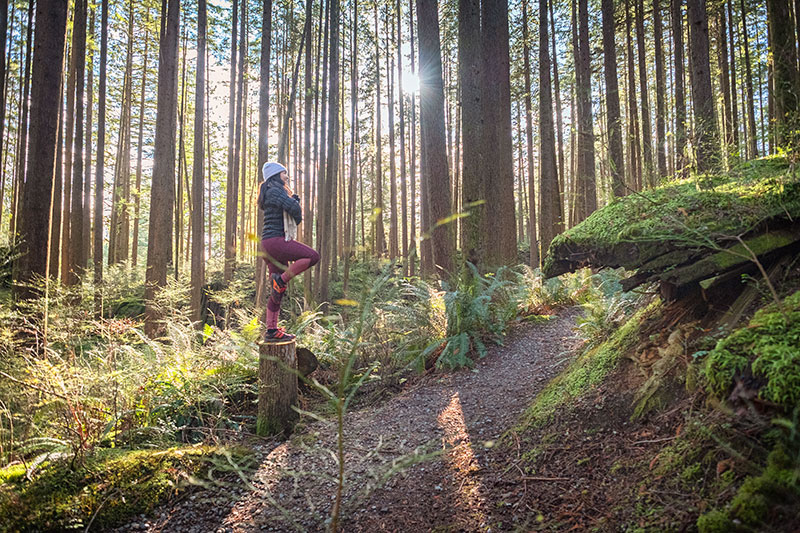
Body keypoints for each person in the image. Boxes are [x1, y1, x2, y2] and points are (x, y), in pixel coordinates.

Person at [257, 162, 320, 341]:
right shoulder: (275, 191)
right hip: (276, 241)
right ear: (276, 174)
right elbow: (295, 211)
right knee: (312, 256)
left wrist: (294, 204)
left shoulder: (270, 191)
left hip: (268, 245)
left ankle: (271, 330)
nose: (287, 176)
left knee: (278, 292)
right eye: (284, 173)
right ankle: (281, 280)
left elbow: (294, 213)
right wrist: (295, 203)